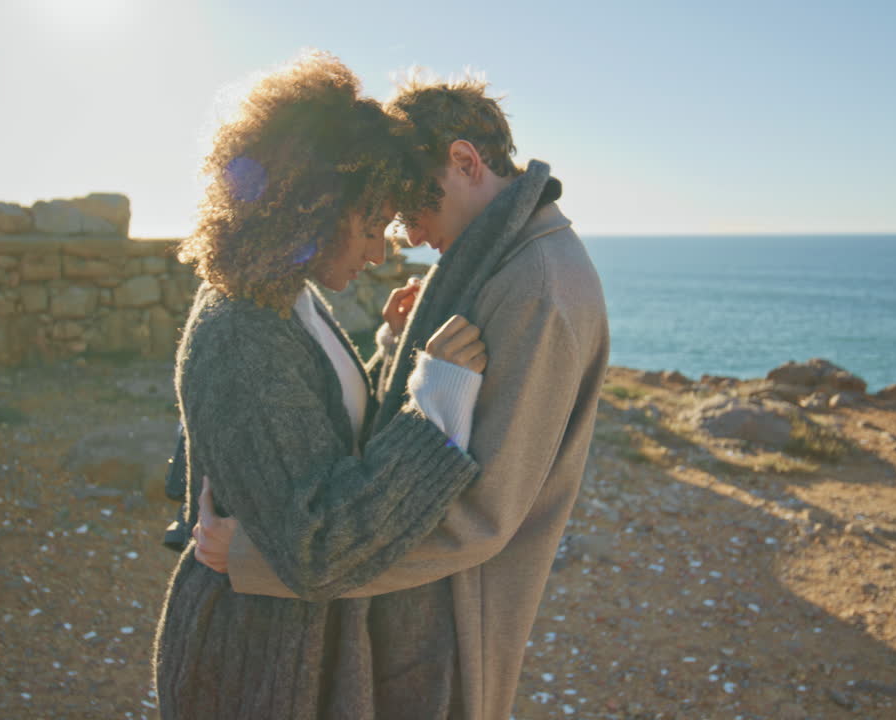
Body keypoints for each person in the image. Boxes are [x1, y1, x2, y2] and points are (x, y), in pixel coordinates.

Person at [194, 74, 610, 720]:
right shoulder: (486, 256)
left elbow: (474, 516)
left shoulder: (536, 289)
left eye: (411, 209)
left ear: (466, 162)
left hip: (452, 626)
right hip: (378, 613)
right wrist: (396, 352)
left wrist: (257, 558)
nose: (405, 238)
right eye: (382, 215)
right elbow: (350, 433)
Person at [149, 52, 496, 719]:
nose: (379, 253)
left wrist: (390, 350)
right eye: (369, 228)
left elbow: (309, 429)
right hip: (253, 668)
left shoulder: (283, 297)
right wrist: (440, 409)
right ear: (311, 211)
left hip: (286, 652)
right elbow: (318, 547)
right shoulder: (242, 333)